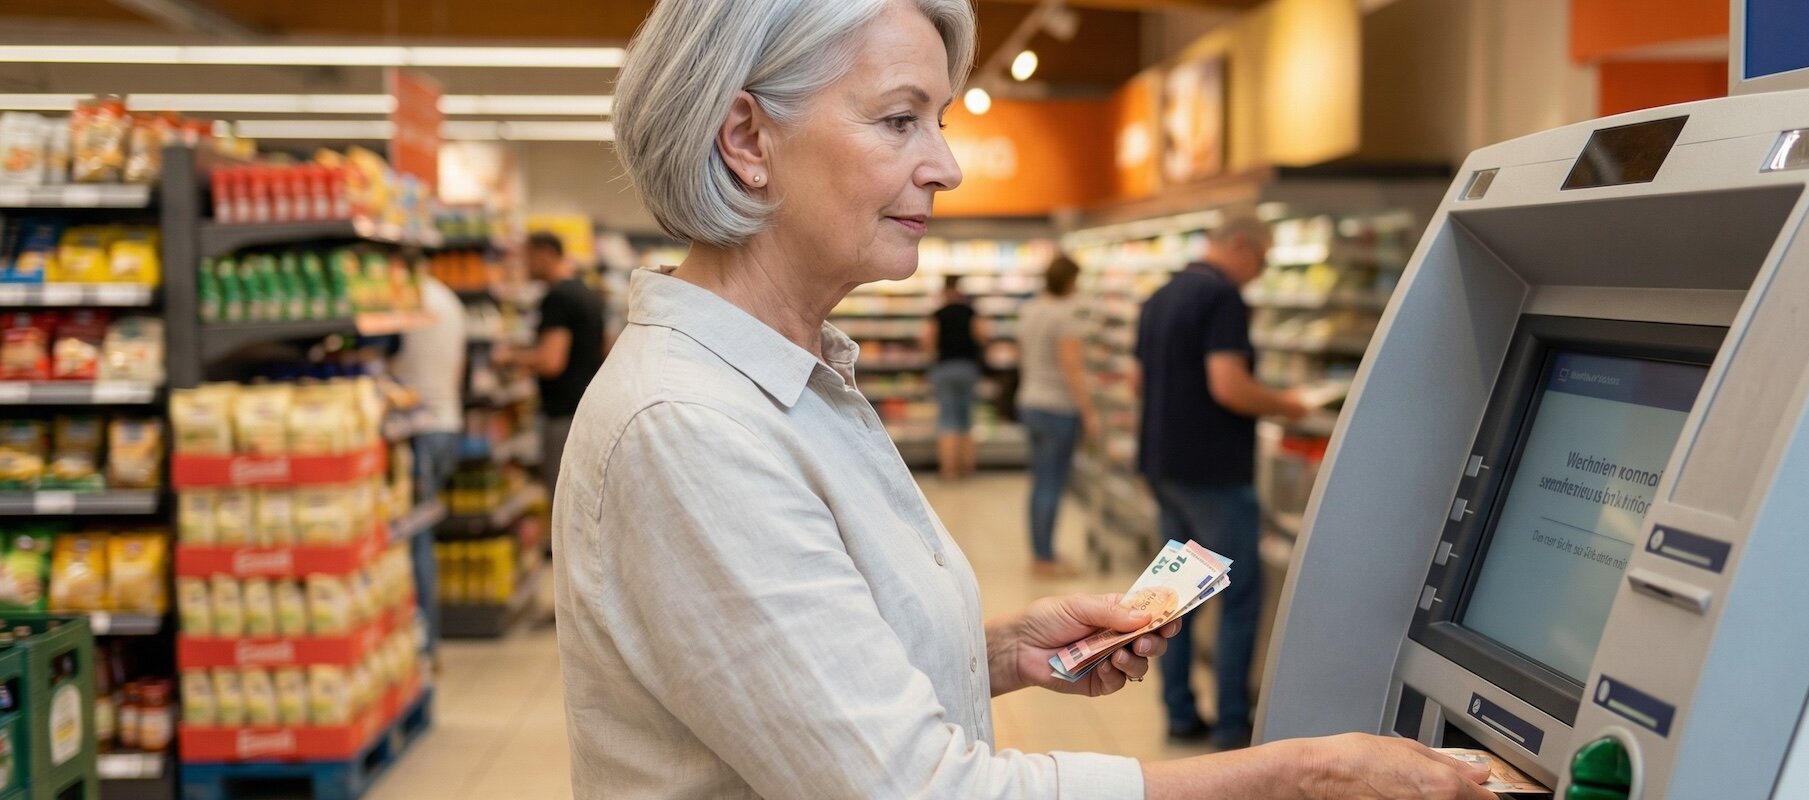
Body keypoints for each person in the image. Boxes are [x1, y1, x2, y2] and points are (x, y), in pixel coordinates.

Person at [552, 0, 1493, 797]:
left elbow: (798, 682)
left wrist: (997, 651)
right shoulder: (691, 430)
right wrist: (1300, 773)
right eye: (897, 120)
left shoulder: (793, 378)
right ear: (749, 139)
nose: (946, 166)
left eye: (941, 121)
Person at [1135, 215, 1316, 751]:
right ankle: (1235, 726)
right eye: (1260, 261)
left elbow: (1139, 381)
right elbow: (1229, 386)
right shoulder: (1222, 298)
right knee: (1237, 599)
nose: (1258, 274)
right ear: (1241, 245)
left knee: (1175, 598)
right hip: (1214, 470)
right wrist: (1292, 406)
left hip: (1164, 463)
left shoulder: (1162, 295)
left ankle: (1180, 712)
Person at [390, 271, 466, 643]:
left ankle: (423, 642)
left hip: (418, 429)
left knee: (414, 536)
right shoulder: (449, 298)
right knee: (423, 532)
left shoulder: (403, 298)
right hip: (447, 421)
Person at [1014, 255, 1097, 577]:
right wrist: (1088, 411)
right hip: (1058, 408)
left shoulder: (1031, 309)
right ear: (1069, 280)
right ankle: (1045, 558)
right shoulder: (1066, 316)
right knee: (1052, 483)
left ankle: (1040, 552)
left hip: (1030, 401)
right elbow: (1071, 367)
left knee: (1039, 482)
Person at [519, 231, 606, 499]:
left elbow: (551, 362)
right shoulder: (588, 292)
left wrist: (509, 359)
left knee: (560, 498)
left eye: (528, 256)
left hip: (562, 414)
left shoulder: (557, 297)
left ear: (544, 253)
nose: (525, 265)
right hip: (587, 408)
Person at [924, 273, 988, 480]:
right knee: (966, 419)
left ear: (944, 291)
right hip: (968, 367)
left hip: (944, 368)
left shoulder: (938, 314)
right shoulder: (970, 312)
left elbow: (927, 341)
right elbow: (983, 336)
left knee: (947, 420)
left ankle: (949, 470)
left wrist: (937, 354)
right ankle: (967, 468)